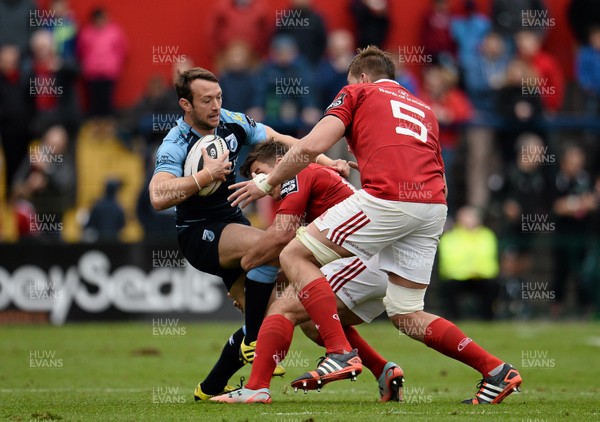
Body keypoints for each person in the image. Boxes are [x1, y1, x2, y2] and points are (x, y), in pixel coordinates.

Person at [228, 46, 522, 405]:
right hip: (432, 206)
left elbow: (312, 146)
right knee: (406, 313)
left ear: (362, 78)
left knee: (294, 255)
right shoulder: (423, 107)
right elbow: (423, 158)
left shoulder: (357, 91)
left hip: (389, 200)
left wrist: (266, 181)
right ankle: (495, 370)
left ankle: (338, 353)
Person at [149, 67, 349, 398]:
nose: (215, 106)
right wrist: (204, 176)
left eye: (218, 98)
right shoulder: (176, 142)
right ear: (185, 104)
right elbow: (158, 196)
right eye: (206, 100)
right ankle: (255, 341)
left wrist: (327, 161)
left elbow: (282, 140)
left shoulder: (231, 121)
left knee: (283, 311)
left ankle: (210, 386)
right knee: (275, 248)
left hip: (232, 225)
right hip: (199, 234)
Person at [202, 140, 403, 403]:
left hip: (361, 261)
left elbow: (279, 237)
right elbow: (295, 254)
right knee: (312, 323)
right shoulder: (310, 181)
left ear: (280, 163)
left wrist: (244, 273)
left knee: (282, 309)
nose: (258, 180)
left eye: (260, 171)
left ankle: (257, 388)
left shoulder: (296, 174)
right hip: (372, 263)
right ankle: (382, 370)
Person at [438, 206, 500, 320]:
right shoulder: (450, 237)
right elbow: (449, 260)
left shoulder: (487, 235)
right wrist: (469, 269)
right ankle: (453, 318)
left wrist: (476, 270)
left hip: (481, 277)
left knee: (493, 286)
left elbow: (489, 258)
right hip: (458, 278)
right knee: (449, 287)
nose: (469, 221)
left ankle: (487, 319)